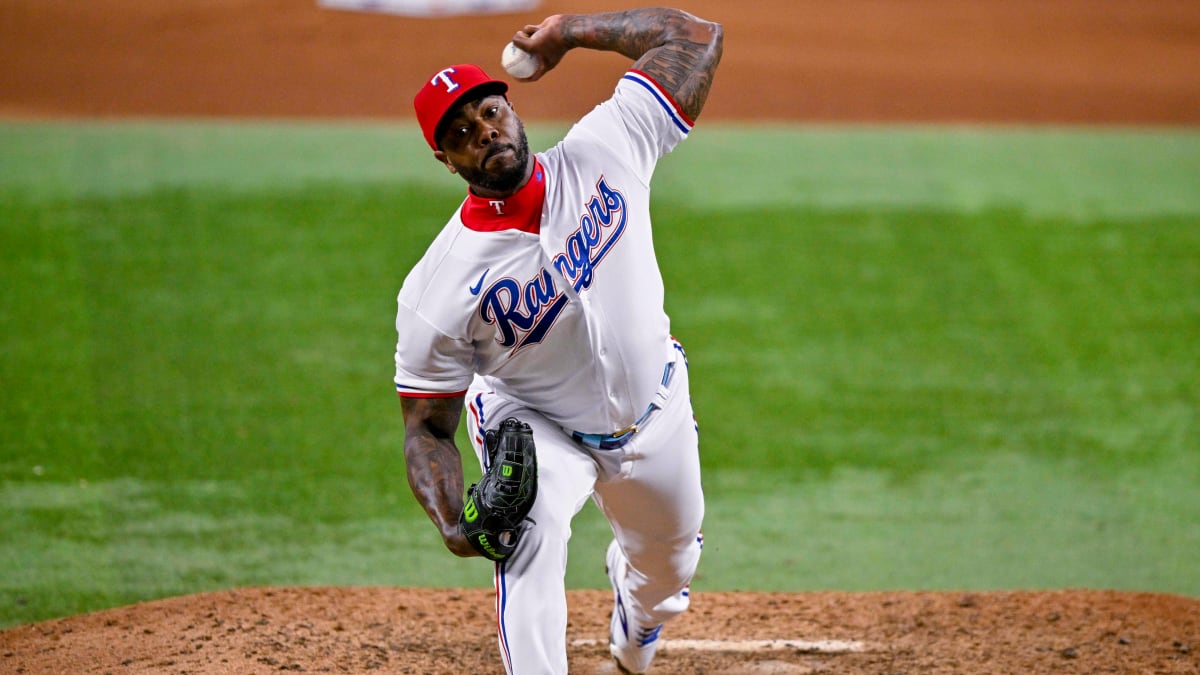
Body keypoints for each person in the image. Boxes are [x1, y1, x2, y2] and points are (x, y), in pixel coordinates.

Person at [395, 7, 723, 673]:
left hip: (654, 410)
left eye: (488, 112)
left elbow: (696, 38)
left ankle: (635, 634)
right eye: (461, 132)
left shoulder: (608, 143)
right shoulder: (437, 287)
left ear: (511, 108)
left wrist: (570, 31)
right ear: (445, 158)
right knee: (527, 534)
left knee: (669, 568)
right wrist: (456, 524)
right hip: (538, 425)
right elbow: (426, 428)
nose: (482, 132)